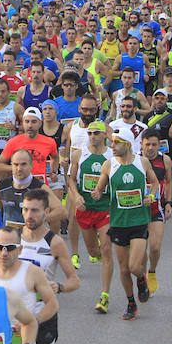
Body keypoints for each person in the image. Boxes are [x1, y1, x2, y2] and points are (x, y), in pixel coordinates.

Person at [18, 188, 78, 344]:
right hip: (14, 316)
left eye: (34, 210)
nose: (29, 215)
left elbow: (75, 281)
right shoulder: (12, 240)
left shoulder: (55, 242)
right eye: (25, 209)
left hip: (43, 315)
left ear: (46, 212)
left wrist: (59, 287)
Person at [90, 128, 158, 320]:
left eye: (115, 143)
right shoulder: (108, 165)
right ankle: (130, 302)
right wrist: (97, 193)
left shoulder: (142, 162)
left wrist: (151, 196)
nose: (112, 146)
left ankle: (141, 280)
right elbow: (100, 187)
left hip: (139, 220)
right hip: (119, 222)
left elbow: (154, 183)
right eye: (111, 142)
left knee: (135, 266)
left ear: (127, 145)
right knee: (124, 268)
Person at [67, 120, 114, 312]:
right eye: (90, 133)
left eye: (96, 133)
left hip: (106, 209)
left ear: (104, 135)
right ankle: (96, 253)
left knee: (106, 250)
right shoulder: (79, 154)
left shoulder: (112, 156)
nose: (93, 136)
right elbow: (70, 179)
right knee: (94, 252)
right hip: (85, 210)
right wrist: (76, 196)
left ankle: (104, 295)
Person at [139, 129, 172, 295]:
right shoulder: (135, 160)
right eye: (147, 144)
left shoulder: (165, 160)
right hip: (137, 210)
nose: (151, 148)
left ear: (159, 145)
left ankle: (152, 271)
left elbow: (169, 182)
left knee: (154, 247)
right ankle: (144, 276)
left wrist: (169, 202)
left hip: (155, 209)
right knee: (141, 248)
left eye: (154, 144)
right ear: (141, 144)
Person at [0, 149, 57, 229]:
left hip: (31, 237)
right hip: (7, 237)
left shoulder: (40, 188)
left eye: (23, 164)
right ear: (11, 165)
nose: (19, 169)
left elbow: (61, 211)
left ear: (31, 165)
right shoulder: (1, 185)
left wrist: (38, 220)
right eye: (16, 165)